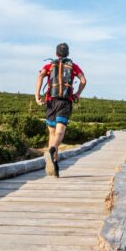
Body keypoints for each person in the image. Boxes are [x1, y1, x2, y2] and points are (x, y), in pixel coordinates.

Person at [35, 42, 86, 177]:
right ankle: (52, 151)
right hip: (65, 102)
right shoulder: (73, 66)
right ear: (68, 53)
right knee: (60, 132)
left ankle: (55, 165)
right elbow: (83, 81)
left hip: (51, 101)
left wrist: (37, 96)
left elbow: (40, 76)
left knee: (52, 134)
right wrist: (77, 94)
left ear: (56, 53)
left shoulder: (49, 66)